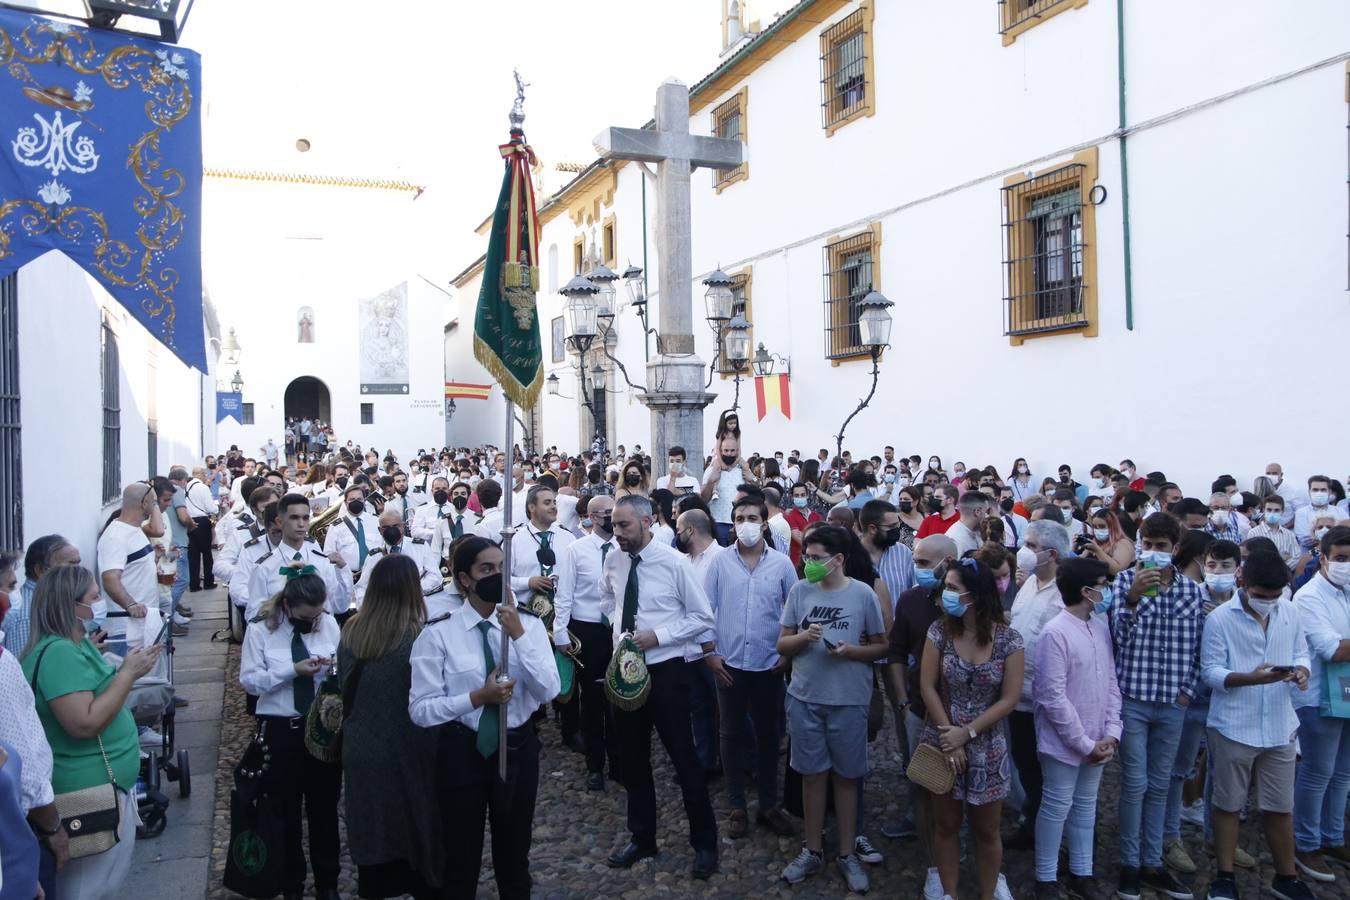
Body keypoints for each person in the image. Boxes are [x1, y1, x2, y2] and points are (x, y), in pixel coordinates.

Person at [410, 536, 559, 899]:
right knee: (459, 853)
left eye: (501, 569)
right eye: (486, 569)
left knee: (514, 849)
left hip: (518, 745)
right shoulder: (438, 633)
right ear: (464, 578)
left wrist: (519, 637)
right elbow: (421, 709)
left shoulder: (528, 625)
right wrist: (477, 697)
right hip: (463, 750)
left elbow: (549, 690)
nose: (497, 576)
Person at [22, 565, 160, 900]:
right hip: (87, 797)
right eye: (94, 598)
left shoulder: (76, 644)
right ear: (70, 606)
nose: (99, 604)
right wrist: (128, 673)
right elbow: (83, 723)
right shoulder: (58, 653)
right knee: (85, 890)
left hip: (106, 787)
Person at [601, 495, 719, 880]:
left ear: (648, 521)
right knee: (632, 760)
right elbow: (609, 598)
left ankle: (704, 844)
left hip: (666, 671)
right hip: (626, 670)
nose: (616, 532)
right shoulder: (614, 557)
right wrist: (621, 634)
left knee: (684, 760)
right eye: (614, 525)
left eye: (624, 526)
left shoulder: (674, 564)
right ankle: (642, 837)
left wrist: (660, 636)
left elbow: (702, 617)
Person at [777, 525, 889, 894]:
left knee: (846, 777)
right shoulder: (799, 590)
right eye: (805, 557)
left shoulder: (862, 594)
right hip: (806, 697)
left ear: (838, 560)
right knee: (811, 775)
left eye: (816, 558)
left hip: (849, 699)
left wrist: (852, 652)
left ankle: (846, 851)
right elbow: (782, 644)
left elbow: (880, 646)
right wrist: (803, 638)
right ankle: (812, 849)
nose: (808, 563)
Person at [1199, 550, 1315, 900]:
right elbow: (1211, 673)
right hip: (1234, 725)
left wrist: (1301, 673)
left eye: (1275, 595)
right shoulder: (1220, 619)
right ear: (1243, 585)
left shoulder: (1290, 612)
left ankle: (1287, 876)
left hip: (1280, 724)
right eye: (1261, 596)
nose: (1268, 602)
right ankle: (1225, 876)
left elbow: (1301, 653)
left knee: (1281, 806)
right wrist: (1251, 678)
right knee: (1228, 804)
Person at [1108, 512, 1206, 900]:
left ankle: (1153, 861)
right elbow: (1117, 638)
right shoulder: (1122, 584)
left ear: (1175, 549)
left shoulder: (1194, 593)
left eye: (1161, 547)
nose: (1153, 553)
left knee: (1160, 783)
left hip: (1172, 701)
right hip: (1133, 696)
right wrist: (1133, 598)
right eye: (1148, 546)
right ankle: (1130, 863)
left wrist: (1187, 690)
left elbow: (1202, 647)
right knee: (1135, 783)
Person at [338, 554, 442, 900]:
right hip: (411, 746)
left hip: (362, 745)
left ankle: (376, 886)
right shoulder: (419, 636)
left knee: (372, 824)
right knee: (415, 821)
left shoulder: (352, 630)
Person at [918, 558, 1023, 900]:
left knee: (987, 829)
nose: (945, 594)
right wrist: (951, 735)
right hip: (942, 737)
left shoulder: (1009, 640)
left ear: (975, 595)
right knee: (945, 824)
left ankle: (988, 892)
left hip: (986, 744)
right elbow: (928, 686)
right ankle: (949, 891)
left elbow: (1009, 698)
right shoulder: (940, 631)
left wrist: (969, 733)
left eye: (952, 588)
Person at [704, 496, 798, 840]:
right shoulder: (719, 563)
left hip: (768, 664)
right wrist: (709, 654)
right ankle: (736, 805)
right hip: (729, 662)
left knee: (769, 734)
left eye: (752, 517)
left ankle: (769, 804)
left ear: (763, 523)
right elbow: (705, 610)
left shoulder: (782, 565)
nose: (745, 523)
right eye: (739, 517)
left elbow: (794, 611)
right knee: (730, 734)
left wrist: (787, 655)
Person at [1030, 557, 1121, 900]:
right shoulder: (1055, 632)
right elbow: (1051, 696)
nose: (1107, 590)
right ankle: (1046, 876)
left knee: (1086, 805)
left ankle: (1083, 871)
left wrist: (1112, 731)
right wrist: (1083, 742)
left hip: (1098, 734)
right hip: (1064, 741)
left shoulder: (1099, 625)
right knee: (1056, 805)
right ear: (1087, 591)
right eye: (1103, 584)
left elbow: (1110, 680)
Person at [882, 534, 957, 897]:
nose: (918, 570)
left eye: (925, 564)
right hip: (918, 709)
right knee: (924, 788)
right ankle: (934, 863)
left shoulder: (966, 605)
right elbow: (895, 651)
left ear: (947, 563)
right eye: (916, 561)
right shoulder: (911, 599)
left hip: (967, 716)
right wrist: (900, 700)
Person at [1289, 524, 1350, 884]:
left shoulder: (1345, 593)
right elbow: (1332, 649)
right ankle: (1305, 842)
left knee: (1342, 774)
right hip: (1315, 697)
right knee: (1317, 772)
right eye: (1341, 558)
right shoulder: (1309, 597)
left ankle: (1332, 836)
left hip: (1344, 693)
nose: (1347, 565)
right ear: (1323, 559)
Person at [1006, 519, 1071, 852]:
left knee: (1054, 774)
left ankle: (1062, 837)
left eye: (1031, 546)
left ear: (1052, 554)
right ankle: (1033, 824)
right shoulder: (1029, 583)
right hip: (1018, 696)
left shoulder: (1067, 592)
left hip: (1049, 702)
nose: (1023, 551)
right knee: (1026, 765)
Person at [552, 495, 619, 790]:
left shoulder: (624, 547)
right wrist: (560, 632)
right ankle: (595, 764)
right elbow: (564, 593)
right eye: (606, 513)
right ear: (592, 516)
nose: (611, 519)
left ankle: (620, 761)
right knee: (592, 702)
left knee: (619, 698)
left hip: (616, 631)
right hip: (587, 630)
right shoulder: (576, 550)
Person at [244, 494, 351, 620]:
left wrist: (343, 570)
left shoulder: (322, 562)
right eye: (294, 518)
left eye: (305, 518)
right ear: (279, 522)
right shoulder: (264, 567)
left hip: (318, 635)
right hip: (280, 635)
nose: (301, 524)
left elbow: (339, 606)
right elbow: (253, 614)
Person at [96, 482, 161, 655]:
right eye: (153, 503)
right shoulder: (116, 536)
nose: (156, 507)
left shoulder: (134, 530)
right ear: (144, 504)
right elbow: (110, 578)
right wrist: (131, 604)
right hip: (126, 629)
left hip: (143, 624)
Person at [353, 512, 442, 613]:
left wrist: (411, 591)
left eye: (395, 526)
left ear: (403, 526)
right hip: (385, 613)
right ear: (380, 530)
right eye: (386, 527)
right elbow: (361, 587)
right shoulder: (374, 556)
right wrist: (367, 609)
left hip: (415, 607)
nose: (391, 530)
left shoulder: (420, 547)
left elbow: (435, 577)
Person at [6, 535, 79, 656]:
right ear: (41, 570)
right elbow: (26, 670)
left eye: (78, 563)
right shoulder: (28, 617)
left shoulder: (53, 602)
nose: (79, 572)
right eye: (71, 564)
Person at [702, 434, 755, 545]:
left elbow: (757, 495)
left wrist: (753, 479)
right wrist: (711, 481)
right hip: (718, 524)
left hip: (741, 524)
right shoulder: (711, 470)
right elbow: (704, 500)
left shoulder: (744, 470)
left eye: (732, 451)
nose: (729, 454)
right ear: (720, 451)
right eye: (726, 450)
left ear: (737, 451)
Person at [183, 465, 218, 591]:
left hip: (189, 521)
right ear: (202, 474)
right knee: (207, 553)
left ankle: (194, 584)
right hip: (202, 521)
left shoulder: (185, 487)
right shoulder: (203, 487)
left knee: (193, 555)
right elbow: (210, 508)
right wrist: (216, 509)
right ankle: (208, 581)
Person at [1247, 494, 1299, 570]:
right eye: (1269, 509)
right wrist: (1280, 557)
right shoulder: (1254, 533)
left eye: (1276, 510)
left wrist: (1281, 569)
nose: (1272, 513)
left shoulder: (1289, 535)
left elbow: (1296, 558)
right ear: (1263, 510)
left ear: (1282, 511)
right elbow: (1252, 558)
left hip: (1283, 576)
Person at [785, 482, 823, 568]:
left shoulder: (816, 516)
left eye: (802, 495)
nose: (800, 497)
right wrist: (817, 537)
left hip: (817, 563)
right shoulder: (790, 517)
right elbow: (800, 540)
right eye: (797, 495)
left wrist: (804, 535)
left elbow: (824, 537)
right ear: (792, 497)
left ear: (807, 495)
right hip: (798, 564)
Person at [945, 492, 987, 556]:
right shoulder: (956, 540)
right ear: (977, 512)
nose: (987, 516)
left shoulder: (977, 530)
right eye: (986, 512)